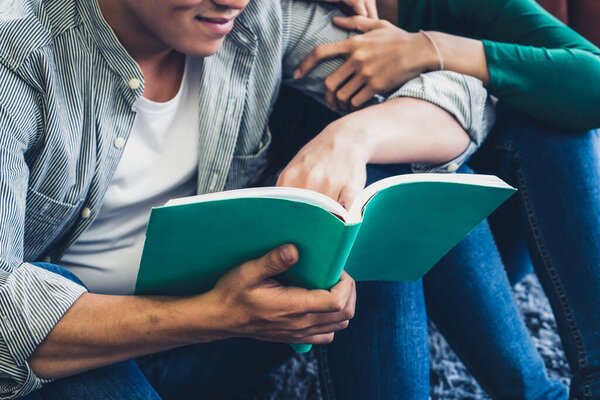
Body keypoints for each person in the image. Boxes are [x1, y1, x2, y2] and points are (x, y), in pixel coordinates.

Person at [0, 0, 498, 398]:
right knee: (54, 293)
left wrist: (350, 138)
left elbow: (465, 96)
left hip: (229, 338)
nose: (232, 1)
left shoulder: (259, 17)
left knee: (364, 201)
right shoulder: (17, 55)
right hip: (79, 352)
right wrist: (215, 313)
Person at [281, 0, 600, 397]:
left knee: (555, 121)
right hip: (349, 261)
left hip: (485, 243)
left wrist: (430, 49)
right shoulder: (278, 18)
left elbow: (594, 80)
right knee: (384, 169)